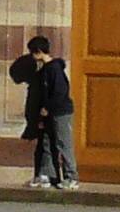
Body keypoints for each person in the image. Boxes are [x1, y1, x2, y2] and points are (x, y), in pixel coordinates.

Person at [8, 33, 76, 189]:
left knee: (63, 143)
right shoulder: (44, 70)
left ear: (38, 52)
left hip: (60, 113)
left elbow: (60, 92)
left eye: (32, 52)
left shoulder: (54, 69)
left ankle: (71, 177)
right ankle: (47, 175)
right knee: (46, 142)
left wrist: (47, 108)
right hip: (49, 114)